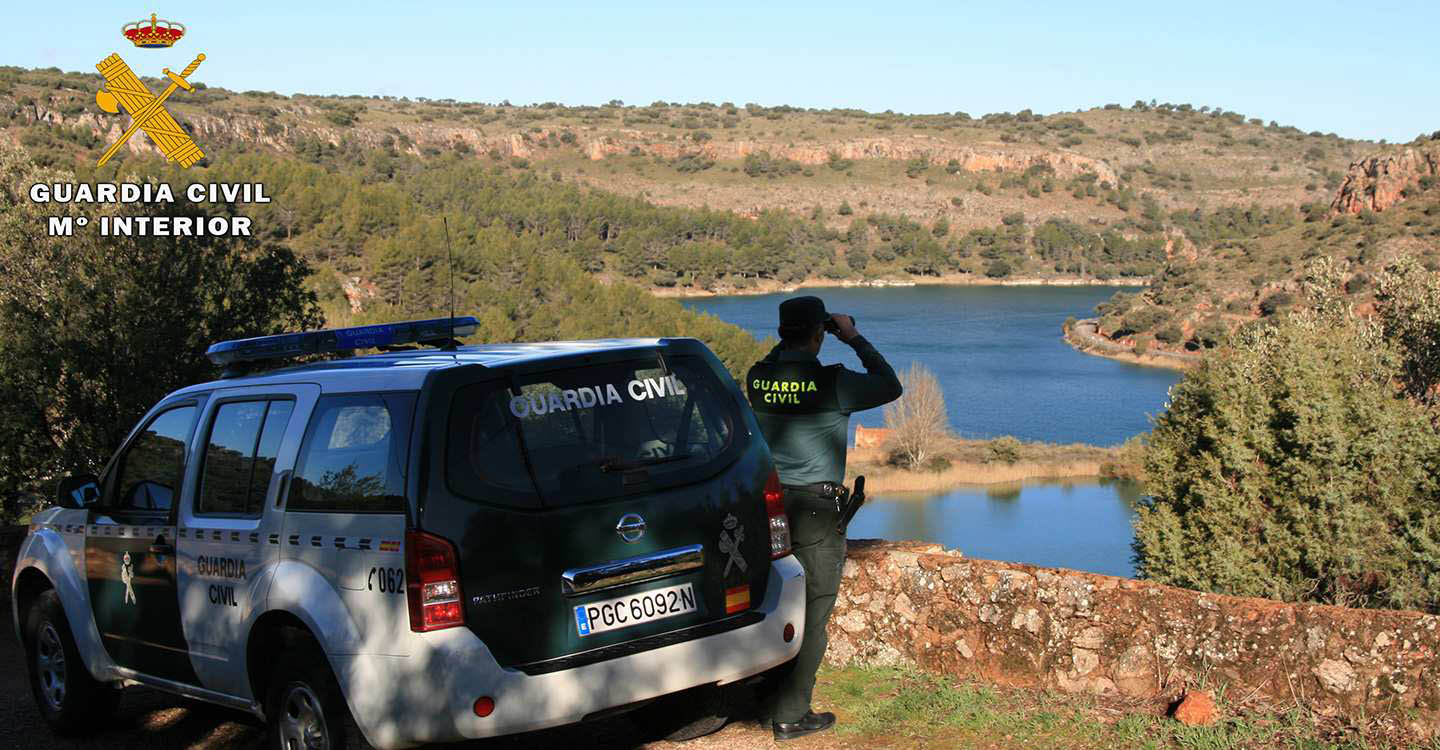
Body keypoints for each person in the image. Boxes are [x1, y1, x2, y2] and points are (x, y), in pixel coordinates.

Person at [746, 295, 902, 741]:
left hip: (769, 508)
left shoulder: (758, 377)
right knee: (814, 611)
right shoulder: (834, 383)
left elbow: (775, 359)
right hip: (816, 512)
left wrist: (800, 340)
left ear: (781, 334)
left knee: (771, 602)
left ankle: (765, 696)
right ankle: (791, 713)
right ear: (820, 333)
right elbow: (890, 384)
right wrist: (851, 337)